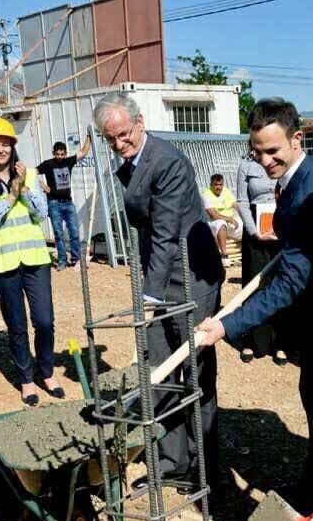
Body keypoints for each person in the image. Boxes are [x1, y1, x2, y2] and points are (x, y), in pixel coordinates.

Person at [197, 97, 313, 521]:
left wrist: (226, 325)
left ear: (297, 138)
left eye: (274, 151)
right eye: (257, 152)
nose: (266, 160)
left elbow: (290, 283)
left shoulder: (307, 192)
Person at [93, 92, 224, 493]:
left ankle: (205, 469)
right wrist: (151, 293)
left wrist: (147, 298)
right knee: (159, 372)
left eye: (124, 134)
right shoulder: (133, 162)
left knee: (195, 371)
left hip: (192, 278)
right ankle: (171, 464)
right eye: (110, 139)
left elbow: (167, 233)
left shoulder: (166, 162)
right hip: (160, 276)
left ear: (140, 123)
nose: (119, 145)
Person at [0, 117, 64, 407]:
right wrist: (10, 196)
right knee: (17, 326)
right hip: (3, 265)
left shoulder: (30, 174)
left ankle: (46, 372)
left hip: (35, 259)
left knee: (44, 321)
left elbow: (41, 213)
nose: (0, 149)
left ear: (13, 147)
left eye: (5, 144)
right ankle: (26, 380)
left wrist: (24, 187)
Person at [235, 156, 290, 365]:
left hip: (281, 229)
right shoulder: (246, 165)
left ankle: (280, 343)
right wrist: (254, 231)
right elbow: (242, 200)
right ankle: (252, 340)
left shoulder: (284, 160)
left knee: (281, 283)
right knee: (255, 285)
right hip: (256, 232)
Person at [37, 135, 91, 271]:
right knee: (59, 234)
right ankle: (62, 260)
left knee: (74, 232)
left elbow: (84, 152)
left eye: (62, 154)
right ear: (53, 153)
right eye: (57, 154)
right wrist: (42, 187)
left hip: (68, 203)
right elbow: (32, 173)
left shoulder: (69, 161)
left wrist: (89, 136)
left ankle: (76, 259)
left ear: (65, 153)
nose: (60, 156)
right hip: (54, 204)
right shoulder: (48, 164)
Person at [202, 173, 243, 266]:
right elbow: (213, 215)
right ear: (211, 185)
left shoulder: (226, 191)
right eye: (215, 185)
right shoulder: (206, 194)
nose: (218, 187)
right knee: (221, 223)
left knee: (246, 226)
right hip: (213, 224)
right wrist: (230, 219)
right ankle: (224, 255)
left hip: (230, 222)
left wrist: (245, 218)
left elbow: (236, 206)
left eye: (220, 185)